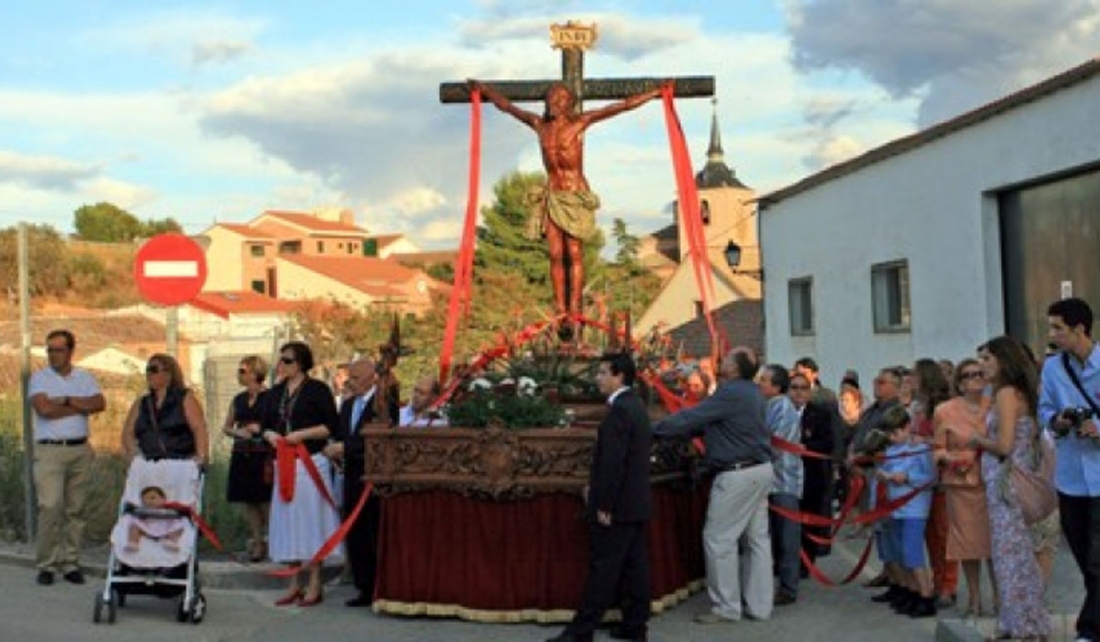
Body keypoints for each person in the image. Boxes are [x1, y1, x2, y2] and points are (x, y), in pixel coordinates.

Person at [470, 78, 665, 319]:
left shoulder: (580, 123)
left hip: (574, 197)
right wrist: (486, 91)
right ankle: (560, 307)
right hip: (552, 196)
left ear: (569, 103)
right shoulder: (539, 125)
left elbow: (620, 106)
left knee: (573, 254)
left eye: (561, 98)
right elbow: (509, 107)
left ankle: (574, 306)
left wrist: (657, 92)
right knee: (554, 253)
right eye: (552, 97)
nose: (555, 101)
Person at [654, 346, 774, 624]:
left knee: (719, 539)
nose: (723, 359)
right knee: (757, 540)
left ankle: (726, 607)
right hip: (760, 469)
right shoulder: (753, 391)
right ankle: (759, 606)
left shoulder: (730, 391)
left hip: (737, 473)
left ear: (735, 368)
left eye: (729, 357)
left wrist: (654, 429)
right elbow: (717, 425)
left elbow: (693, 417)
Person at [546, 353, 652, 642]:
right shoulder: (636, 406)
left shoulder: (620, 412)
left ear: (618, 376)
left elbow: (612, 464)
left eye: (603, 372)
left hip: (618, 504)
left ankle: (582, 631)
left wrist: (604, 504)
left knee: (604, 568)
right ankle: (635, 625)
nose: (597, 378)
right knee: (634, 567)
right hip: (636, 502)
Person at [970, 336, 1052, 640]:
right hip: (1009, 479)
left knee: (1010, 556)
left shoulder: (1006, 393)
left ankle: (1024, 625)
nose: (981, 366)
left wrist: (977, 440)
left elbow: (1003, 445)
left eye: (987, 359)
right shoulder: (1018, 392)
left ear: (1004, 360)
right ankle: (1019, 621)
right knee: (1013, 554)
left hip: (1007, 482)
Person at [261, 341, 342, 608]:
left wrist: (302, 435)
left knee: (310, 519)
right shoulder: (275, 393)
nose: (281, 365)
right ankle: (294, 582)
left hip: (310, 461)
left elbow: (330, 426)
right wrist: (270, 434)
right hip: (283, 461)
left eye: (288, 360)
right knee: (287, 520)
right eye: (280, 360)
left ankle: (315, 581)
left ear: (301, 364)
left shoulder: (318, 390)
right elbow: (263, 425)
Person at [1039, 297, 1100, 642]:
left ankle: (1089, 629)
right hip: (1071, 477)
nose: (1052, 335)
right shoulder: (1053, 368)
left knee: (1098, 559)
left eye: (1058, 328)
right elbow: (1043, 411)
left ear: (1080, 329)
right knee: (1082, 556)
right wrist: (1058, 420)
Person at [29, 329, 106, 586]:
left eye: (58, 349)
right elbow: (45, 409)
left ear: (71, 351)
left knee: (77, 509)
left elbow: (98, 403)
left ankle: (71, 562)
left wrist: (68, 399)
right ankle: (46, 564)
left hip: (79, 450)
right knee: (50, 506)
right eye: (49, 349)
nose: (52, 354)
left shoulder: (84, 377)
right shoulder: (40, 379)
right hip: (50, 450)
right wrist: (77, 406)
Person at [322, 358, 398, 608]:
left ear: (369, 377)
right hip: (351, 475)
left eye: (354, 378)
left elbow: (382, 436)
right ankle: (363, 586)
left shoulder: (384, 402)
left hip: (373, 476)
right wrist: (335, 450)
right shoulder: (348, 404)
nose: (350, 382)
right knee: (355, 533)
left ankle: (381, 586)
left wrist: (346, 448)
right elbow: (342, 433)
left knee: (372, 530)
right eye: (349, 377)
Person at [932, 358, 994, 617]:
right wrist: (952, 459)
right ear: (959, 382)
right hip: (961, 486)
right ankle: (974, 600)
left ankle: (1002, 598)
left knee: (994, 545)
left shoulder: (995, 407)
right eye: (969, 374)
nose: (975, 378)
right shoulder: (944, 411)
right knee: (968, 546)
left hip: (992, 483)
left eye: (980, 373)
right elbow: (937, 451)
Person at [874, 405, 937, 618]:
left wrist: (908, 478)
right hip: (896, 509)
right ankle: (913, 592)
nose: (892, 438)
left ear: (907, 427)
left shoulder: (919, 450)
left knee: (913, 555)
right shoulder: (892, 451)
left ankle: (926, 595)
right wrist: (884, 476)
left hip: (915, 510)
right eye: (889, 434)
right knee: (902, 556)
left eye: (896, 432)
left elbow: (930, 478)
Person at [911, 358, 958, 608]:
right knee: (929, 533)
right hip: (923, 476)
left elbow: (950, 440)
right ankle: (938, 581)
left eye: (915, 375)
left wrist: (923, 441)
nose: (911, 380)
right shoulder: (919, 407)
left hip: (940, 475)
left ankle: (949, 584)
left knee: (944, 533)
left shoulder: (943, 407)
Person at [758, 364, 803, 605]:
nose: (759, 384)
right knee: (774, 536)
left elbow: (774, 442)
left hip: (784, 480)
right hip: (770, 480)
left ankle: (789, 587)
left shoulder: (783, 408)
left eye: (764, 380)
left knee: (787, 537)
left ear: (776, 386)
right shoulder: (768, 405)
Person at [222, 355, 272, 563]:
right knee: (248, 500)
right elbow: (227, 426)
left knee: (266, 500)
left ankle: (273, 539)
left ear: (255, 372)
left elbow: (277, 423)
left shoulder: (270, 397)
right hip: (242, 452)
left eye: (243, 371)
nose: (240, 374)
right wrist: (238, 432)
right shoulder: (239, 399)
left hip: (264, 453)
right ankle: (257, 541)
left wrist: (259, 429)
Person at [121, 354, 209, 466]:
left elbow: (199, 428)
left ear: (169, 374)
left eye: (154, 370)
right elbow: (127, 433)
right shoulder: (142, 403)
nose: (149, 374)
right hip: (149, 464)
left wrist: (201, 457)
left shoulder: (185, 399)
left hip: (181, 463)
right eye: (147, 370)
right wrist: (137, 457)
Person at [790, 371, 835, 572]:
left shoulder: (820, 413)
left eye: (803, 388)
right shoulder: (782, 412)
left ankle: (806, 562)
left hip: (811, 474)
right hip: (787, 476)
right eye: (795, 388)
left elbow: (828, 442)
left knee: (809, 519)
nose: (799, 393)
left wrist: (805, 446)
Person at [122, 486, 186, 553]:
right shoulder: (143, 510)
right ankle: (133, 542)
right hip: (148, 528)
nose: (149, 501)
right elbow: (134, 516)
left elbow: (182, 512)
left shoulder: (169, 509)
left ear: (163, 499)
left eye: (153, 498)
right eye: (144, 500)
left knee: (179, 525)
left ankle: (171, 541)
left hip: (166, 528)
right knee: (134, 525)